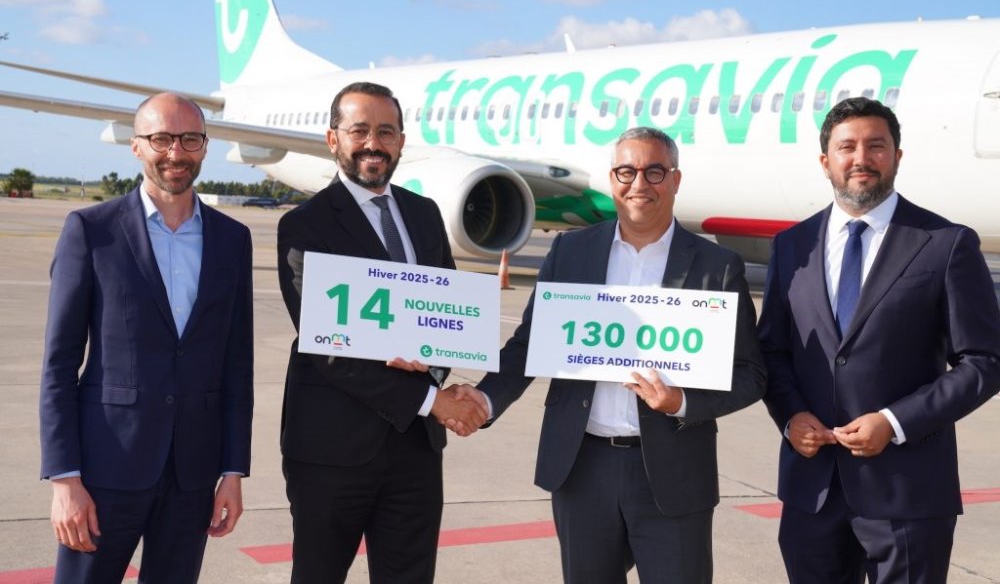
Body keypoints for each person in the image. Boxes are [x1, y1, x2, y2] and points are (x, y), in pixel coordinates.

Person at [463, 127, 766, 583]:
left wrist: (682, 402)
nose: (639, 184)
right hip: (582, 467)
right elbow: (531, 343)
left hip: (673, 470)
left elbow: (750, 374)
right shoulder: (570, 252)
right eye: (627, 172)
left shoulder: (716, 266)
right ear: (612, 179)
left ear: (676, 180)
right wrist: (484, 400)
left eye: (654, 172)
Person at [758, 96, 1000, 583]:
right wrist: (790, 416)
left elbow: (984, 361)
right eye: (847, 147)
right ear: (825, 160)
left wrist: (894, 422)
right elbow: (772, 351)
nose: (861, 158)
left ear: (897, 156)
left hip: (907, 493)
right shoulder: (791, 246)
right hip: (812, 491)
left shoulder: (946, 243)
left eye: (876, 145)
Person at [276, 81, 488, 583]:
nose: (373, 143)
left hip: (415, 451)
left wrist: (434, 361)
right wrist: (431, 401)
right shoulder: (305, 225)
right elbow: (328, 349)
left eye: (386, 132)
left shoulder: (424, 214)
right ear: (333, 139)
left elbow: (447, 313)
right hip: (333, 449)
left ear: (401, 142)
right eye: (360, 131)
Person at [39, 92, 255, 583]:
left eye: (190, 139)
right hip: (105, 469)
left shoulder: (232, 239)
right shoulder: (91, 231)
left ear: (205, 146)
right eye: (161, 139)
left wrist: (233, 471)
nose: (175, 152)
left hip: (193, 474)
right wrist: (65, 479)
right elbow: (59, 364)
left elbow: (236, 364)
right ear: (136, 146)